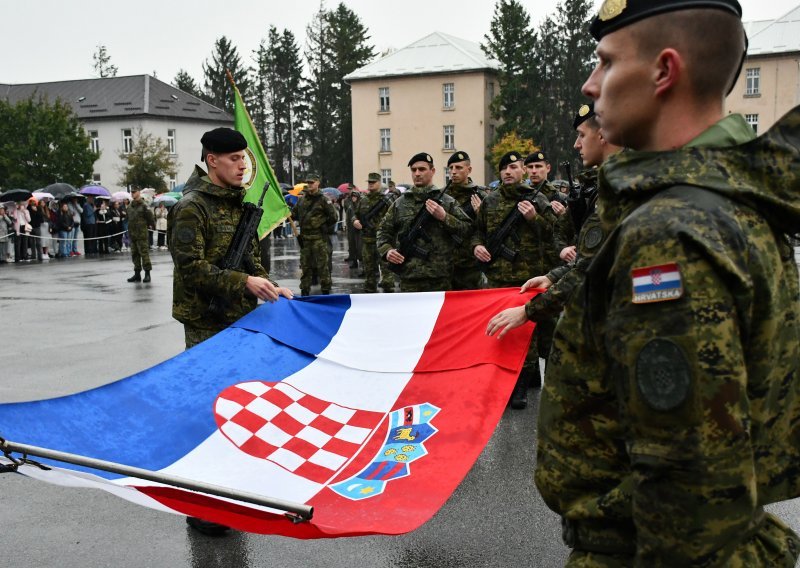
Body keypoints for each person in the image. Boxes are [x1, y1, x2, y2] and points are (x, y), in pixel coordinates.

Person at [507, 1, 800, 564]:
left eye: (607, 63)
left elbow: (688, 493)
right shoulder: (731, 198)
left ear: (664, 71)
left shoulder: (669, 231)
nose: (592, 85)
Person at [169, 127, 293, 536]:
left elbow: (251, 260)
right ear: (212, 161)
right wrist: (243, 283)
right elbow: (191, 268)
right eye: (235, 158)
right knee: (206, 413)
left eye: (245, 157)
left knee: (235, 408)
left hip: (239, 319)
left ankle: (230, 493)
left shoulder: (239, 204)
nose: (243, 164)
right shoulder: (192, 207)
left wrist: (269, 284)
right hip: (206, 321)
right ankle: (201, 505)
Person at [487, 102, 622, 333]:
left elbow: (587, 268)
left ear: (602, 135)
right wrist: (552, 277)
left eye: (581, 135)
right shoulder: (604, 185)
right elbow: (586, 256)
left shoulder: (616, 189)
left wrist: (527, 311)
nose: (576, 144)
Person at [472, 151, 558, 408]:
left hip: (527, 278)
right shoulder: (491, 201)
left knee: (526, 334)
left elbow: (554, 232)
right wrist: (477, 246)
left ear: (522, 171)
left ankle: (521, 384)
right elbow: (476, 232)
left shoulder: (536, 198)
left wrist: (534, 219)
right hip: (497, 278)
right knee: (502, 330)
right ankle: (503, 380)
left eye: (513, 167)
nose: (508, 172)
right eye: (503, 169)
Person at [377, 153, 470, 292]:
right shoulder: (400, 204)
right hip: (409, 278)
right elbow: (383, 232)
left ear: (432, 171)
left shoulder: (447, 201)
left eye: (422, 169)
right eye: (414, 170)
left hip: (441, 279)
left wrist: (444, 217)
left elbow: (468, 229)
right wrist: (387, 250)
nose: (417, 174)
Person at [446, 151, 486, 290]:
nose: (453, 172)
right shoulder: (442, 195)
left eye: (458, 168)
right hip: (444, 262)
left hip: (470, 263)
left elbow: (488, 228)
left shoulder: (479, 194)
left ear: (469, 170)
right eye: (451, 168)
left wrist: (481, 214)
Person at [291, 173, 337, 296]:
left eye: (312, 182)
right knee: (305, 267)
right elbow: (294, 214)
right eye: (308, 182)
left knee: (323, 266)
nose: (310, 184)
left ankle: (326, 289)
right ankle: (305, 289)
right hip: (305, 239)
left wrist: (322, 226)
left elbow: (333, 217)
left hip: (319, 239)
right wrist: (286, 211)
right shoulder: (302, 200)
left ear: (318, 183)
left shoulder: (323, 199)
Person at [353, 173, 393, 293]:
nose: (370, 184)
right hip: (367, 240)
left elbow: (394, 216)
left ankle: (388, 291)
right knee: (369, 268)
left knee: (386, 268)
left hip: (382, 240)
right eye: (369, 182)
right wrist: (354, 220)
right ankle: (370, 290)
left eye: (373, 182)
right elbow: (356, 214)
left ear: (379, 183)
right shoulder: (363, 199)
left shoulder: (386, 200)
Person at [126, 188, 155, 282]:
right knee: (134, 254)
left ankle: (147, 274)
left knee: (144, 254)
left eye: (134, 192)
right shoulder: (130, 206)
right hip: (132, 234)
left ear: (138, 192)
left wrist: (151, 226)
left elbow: (150, 218)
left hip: (141, 234)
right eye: (131, 192)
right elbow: (128, 218)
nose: (132, 194)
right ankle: (137, 274)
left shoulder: (144, 205)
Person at [342, 187, 362, 269]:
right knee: (352, 246)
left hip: (359, 230)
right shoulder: (350, 207)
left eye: (355, 197)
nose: (353, 198)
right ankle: (354, 262)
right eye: (352, 197)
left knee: (360, 247)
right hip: (351, 229)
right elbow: (347, 218)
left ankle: (362, 264)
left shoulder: (360, 206)